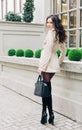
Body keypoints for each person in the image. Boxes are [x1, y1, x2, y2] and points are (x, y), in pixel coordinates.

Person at [38, 14, 67, 125]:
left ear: (55, 23)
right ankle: (48, 114)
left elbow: (48, 52)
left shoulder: (51, 34)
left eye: (51, 22)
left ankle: (46, 113)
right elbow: (64, 50)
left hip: (47, 65)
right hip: (52, 65)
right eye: (47, 22)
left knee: (45, 91)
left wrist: (41, 67)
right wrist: (59, 62)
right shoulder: (59, 33)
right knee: (47, 90)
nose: (48, 24)